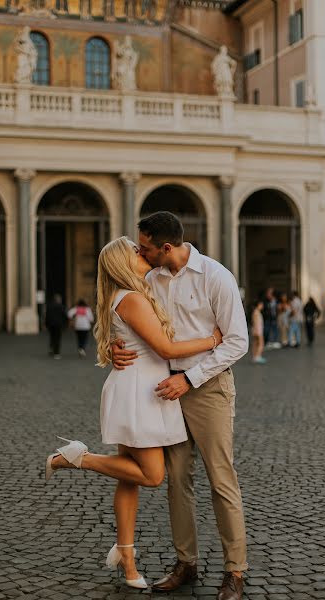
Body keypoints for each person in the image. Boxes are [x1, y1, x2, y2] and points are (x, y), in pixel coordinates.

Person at [45, 236, 223, 590]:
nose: (142, 253)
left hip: (137, 386)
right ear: (123, 264)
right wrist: (213, 340)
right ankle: (76, 458)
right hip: (140, 392)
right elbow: (166, 347)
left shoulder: (128, 296)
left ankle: (127, 560)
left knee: (129, 479)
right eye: (135, 251)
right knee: (153, 475)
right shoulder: (132, 299)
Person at [113, 212, 249, 600]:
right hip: (165, 388)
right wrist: (113, 347)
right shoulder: (149, 280)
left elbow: (236, 342)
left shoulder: (216, 276)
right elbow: (129, 321)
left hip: (207, 389)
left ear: (166, 247)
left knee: (221, 479)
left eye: (145, 247)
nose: (140, 252)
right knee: (177, 480)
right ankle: (186, 562)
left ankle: (235, 571)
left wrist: (189, 379)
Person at [45, 294, 68, 359]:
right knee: (57, 338)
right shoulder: (62, 306)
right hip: (58, 325)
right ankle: (56, 353)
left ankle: (51, 348)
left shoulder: (49, 306)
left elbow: (47, 316)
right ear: (58, 300)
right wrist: (65, 324)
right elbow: (65, 316)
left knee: (52, 337)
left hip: (51, 324)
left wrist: (46, 324)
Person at [251, 299, 266, 364]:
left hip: (255, 330)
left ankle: (255, 356)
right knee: (261, 343)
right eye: (261, 305)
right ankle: (258, 356)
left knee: (255, 343)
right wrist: (258, 331)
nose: (262, 306)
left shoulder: (255, 312)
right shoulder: (257, 312)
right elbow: (256, 322)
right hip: (258, 330)